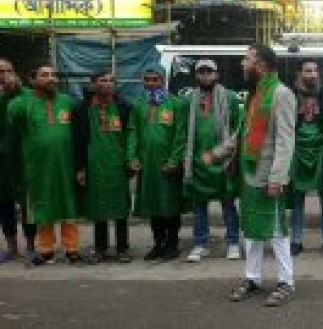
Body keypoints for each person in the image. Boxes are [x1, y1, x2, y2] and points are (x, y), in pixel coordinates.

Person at [207, 44, 297, 307]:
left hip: (269, 177)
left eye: (246, 59)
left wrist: (277, 178)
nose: (242, 63)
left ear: (261, 64)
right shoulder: (255, 94)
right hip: (248, 175)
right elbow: (242, 133)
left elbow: (285, 141)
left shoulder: (281, 94)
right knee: (251, 230)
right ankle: (252, 278)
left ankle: (286, 282)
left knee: (276, 229)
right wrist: (217, 154)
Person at [7, 63, 80, 265]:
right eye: (45, 75)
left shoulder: (68, 102)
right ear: (33, 80)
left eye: (54, 75)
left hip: (66, 165)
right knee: (43, 205)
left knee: (69, 205)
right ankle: (46, 249)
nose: (51, 79)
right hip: (38, 166)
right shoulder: (23, 103)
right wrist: (17, 91)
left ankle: (72, 248)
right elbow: (11, 113)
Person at [184, 59, 241, 263]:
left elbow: (238, 128)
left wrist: (231, 155)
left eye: (209, 72)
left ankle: (233, 242)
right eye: (201, 72)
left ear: (216, 75)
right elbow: (184, 130)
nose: (206, 75)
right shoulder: (188, 100)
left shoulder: (230, 98)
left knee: (229, 205)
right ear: (196, 76)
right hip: (198, 162)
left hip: (222, 161)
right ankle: (200, 244)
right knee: (199, 207)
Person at [127, 66, 186, 262]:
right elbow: (132, 132)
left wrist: (174, 160)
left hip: (168, 165)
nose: (151, 83)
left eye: (155, 79)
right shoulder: (139, 104)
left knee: (170, 206)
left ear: (163, 80)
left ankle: (172, 244)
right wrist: (132, 158)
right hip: (147, 165)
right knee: (153, 205)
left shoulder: (176, 103)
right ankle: (158, 244)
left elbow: (180, 135)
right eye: (147, 79)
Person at [72, 71, 132, 263]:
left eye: (111, 80)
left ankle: (122, 248)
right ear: (92, 84)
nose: (107, 83)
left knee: (120, 208)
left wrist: (131, 160)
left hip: (118, 164)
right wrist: (80, 168)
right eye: (102, 80)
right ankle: (100, 248)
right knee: (98, 207)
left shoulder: (124, 107)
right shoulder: (81, 109)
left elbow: (131, 136)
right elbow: (77, 142)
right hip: (94, 165)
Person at [0, 58, 37, 264]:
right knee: (4, 204)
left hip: (24, 159)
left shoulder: (27, 95)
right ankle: (12, 248)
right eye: (0, 71)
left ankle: (31, 248)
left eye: (9, 70)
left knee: (28, 205)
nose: (5, 75)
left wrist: (16, 91)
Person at [288, 59, 323, 257]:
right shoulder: (290, 93)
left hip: (320, 147)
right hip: (298, 147)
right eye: (308, 71)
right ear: (300, 74)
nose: (313, 74)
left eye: (315, 70)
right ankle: (296, 240)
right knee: (297, 196)